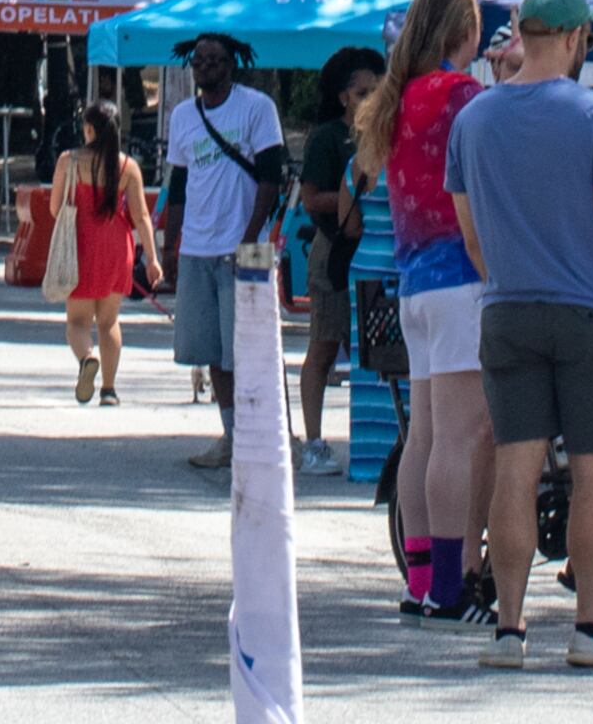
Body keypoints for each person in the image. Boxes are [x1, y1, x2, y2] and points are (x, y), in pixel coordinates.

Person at [444, 0, 593, 670]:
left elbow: (472, 237)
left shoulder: (473, 120)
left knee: (516, 469)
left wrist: (509, 281)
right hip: (588, 316)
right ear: (575, 38)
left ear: (522, 34)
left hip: (507, 310)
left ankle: (508, 632)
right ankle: (591, 629)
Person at [359, 0, 497, 625]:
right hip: (462, 278)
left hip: (414, 281)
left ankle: (421, 582)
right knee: (460, 439)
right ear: (463, 31)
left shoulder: (397, 98)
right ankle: (449, 586)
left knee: (423, 436)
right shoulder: (462, 95)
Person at [161, 30, 287, 471]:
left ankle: (270, 433)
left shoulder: (257, 108)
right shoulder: (183, 115)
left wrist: (252, 235)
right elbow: (178, 184)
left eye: (214, 60)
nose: (205, 67)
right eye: (198, 61)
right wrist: (170, 245)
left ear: (231, 65)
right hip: (198, 246)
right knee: (213, 351)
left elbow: (271, 176)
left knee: (254, 348)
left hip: (246, 246)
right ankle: (232, 434)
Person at [297, 45, 386, 475]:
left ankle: (378, 438)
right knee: (324, 344)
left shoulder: (385, 133)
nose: (370, 98)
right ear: (343, 97)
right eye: (362, 92)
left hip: (375, 251)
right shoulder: (328, 137)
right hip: (334, 250)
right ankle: (313, 441)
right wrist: (356, 195)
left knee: (376, 352)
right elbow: (310, 198)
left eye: (377, 90)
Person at [48, 99, 162, 404]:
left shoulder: (68, 161)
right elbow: (141, 216)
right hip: (116, 247)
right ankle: (109, 389)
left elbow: (55, 208)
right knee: (109, 321)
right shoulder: (127, 167)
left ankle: (87, 358)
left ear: (88, 129)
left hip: (80, 246)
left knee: (77, 321)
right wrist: (152, 259)